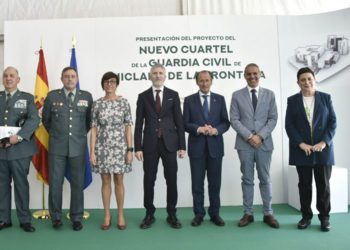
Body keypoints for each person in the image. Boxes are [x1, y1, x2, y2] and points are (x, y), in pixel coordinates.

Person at [134, 64, 186, 229]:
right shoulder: (143, 96)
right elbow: (138, 124)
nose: (157, 76)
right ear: (150, 76)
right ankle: (149, 214)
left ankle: (172, 214)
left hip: (170, 144)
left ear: (165, 76)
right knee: (149, 180)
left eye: (160, 73)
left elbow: (179, 121)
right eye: (154, 73)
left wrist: (182, 145)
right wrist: (138, 147)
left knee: (171, 180)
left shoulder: (173, 95)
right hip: (149, 145)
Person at [285, 67, 336, 232]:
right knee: (304, 185)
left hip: (322, 150)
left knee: (323, 185)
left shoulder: (326, 98)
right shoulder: (292, 100)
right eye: (302, 80)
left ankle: (325, 218)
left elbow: (333, 122)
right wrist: (301, 144)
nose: (306, 82)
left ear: (314, 79)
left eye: (309, 78)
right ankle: (306, 216)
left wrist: (324, 142)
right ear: (298, 83)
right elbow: (289, 125)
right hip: (302, 150)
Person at [42, 66, 93, 231]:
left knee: (77, 184)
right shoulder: (52, 96)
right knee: (56, 183)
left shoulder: (86, 96)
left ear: (77, 78)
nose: (70, 79)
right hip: (57, 147)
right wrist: (59, 135)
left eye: (72, 76)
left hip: (78, 147)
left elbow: (88, 122)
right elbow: (46, 121)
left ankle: (76, 217)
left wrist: (76, 136)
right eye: (66, 76)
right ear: (61, 79)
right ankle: (56, 217)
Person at [230, 63, 279, 229]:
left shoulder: (270, 95)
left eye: (255, 74)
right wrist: (250, 136)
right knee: (247, 179)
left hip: (264, 144)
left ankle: (268, 213)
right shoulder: (237, 95)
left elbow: (273, 119)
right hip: (245, 144)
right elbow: (234, 119)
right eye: (249, 74)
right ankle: (248, 213)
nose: (252, 77)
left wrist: (260, 136)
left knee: (265, 178)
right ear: (244, 76)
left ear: (260, 74)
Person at [183, 70, 230, 227]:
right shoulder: (189, 100)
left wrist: (215, 130)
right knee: (197, 184)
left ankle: (215, 214)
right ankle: (198, 214)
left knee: (215, 183)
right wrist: (199, 129)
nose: (204, 83)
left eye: (207, 80)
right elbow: (185, 123)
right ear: (197, 82)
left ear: (211, 81)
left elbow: (225, 122)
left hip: (215, 147)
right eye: (201, 80)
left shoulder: (220, 99)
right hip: (196, 148)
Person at [90, 72, 133, 230]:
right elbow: (94, 129)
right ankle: (107, 214)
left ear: (117, 84)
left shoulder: (124, 103)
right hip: (102, 147)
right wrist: (92, 152)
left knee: (119, 181)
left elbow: (128, 127)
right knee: (105, 181)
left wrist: (130, 149)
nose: (109, 84)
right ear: (103, 84)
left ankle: (120, 213)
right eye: (106, 81)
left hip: (120, 147)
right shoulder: (97, 104)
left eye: (113, 81)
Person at [0, 67, 40, 232]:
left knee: (21, 184)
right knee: (2, 185)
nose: (8, 78)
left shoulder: (27, 98)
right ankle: (3, 219)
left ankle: (24, 220)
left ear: (18, 79)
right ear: (3, 79)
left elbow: (34, 119)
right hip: (1, 150)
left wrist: (18, 137)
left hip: (21, 150)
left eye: (12, 76)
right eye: (6, 76)